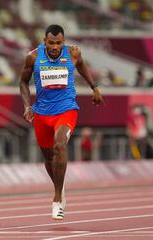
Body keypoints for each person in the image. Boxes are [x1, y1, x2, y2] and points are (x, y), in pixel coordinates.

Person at [19, 24, 103, 220]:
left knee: (60, 145)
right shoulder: (32, 57)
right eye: (51, 43)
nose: (55, 47)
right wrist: (26, 106)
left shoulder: (73, 53)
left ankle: (57, 199)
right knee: (48, 158)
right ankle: (60, 186)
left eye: (58, 43)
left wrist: (94, 87)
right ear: (44, 41)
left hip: (66, 109)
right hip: (41, 113)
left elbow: (81, 65)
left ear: (63, 42)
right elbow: (23, 82)